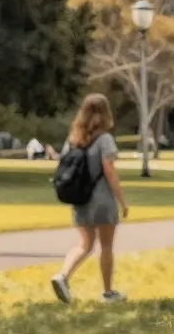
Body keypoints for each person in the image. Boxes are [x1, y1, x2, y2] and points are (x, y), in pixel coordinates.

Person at [50, 94, 129, 304]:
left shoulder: (73, 139)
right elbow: (109, 171)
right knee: (106, 246)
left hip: (80, 198)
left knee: (84, 244)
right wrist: (122, 200)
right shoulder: (105, 139)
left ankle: (63, 275)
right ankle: (108, 292)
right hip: (101, 198)